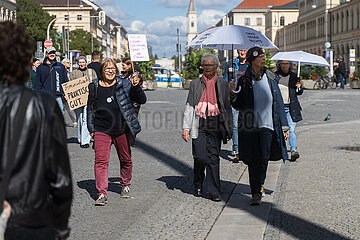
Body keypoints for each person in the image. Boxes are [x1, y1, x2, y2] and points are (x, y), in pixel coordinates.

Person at [0, 21, 72, 240]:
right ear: (26, 60)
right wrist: (59, 227)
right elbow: (60, 180)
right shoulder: (44, 105)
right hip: (30, 220)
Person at [229, 47, 289, 206]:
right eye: (260, 57)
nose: (263, 59)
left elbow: (279, 104)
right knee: (251, 160)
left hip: (268, 126)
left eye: (264, 56)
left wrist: (285, 126)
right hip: (250, 126)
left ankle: (259, 186)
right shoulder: (245, 80)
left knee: (263, 158)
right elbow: (239, 105)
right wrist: (233, 95)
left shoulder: (271, 78)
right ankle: (255, 189)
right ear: (252, 60)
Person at [87, 58, 146, 206]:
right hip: (101, 129)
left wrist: (136, 87)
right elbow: (90, 108)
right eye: (107, 69)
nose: (110, 71)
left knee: (125, 159)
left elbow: (141, 99)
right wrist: (91, 128)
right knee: (100, 161)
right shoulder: (94, 86)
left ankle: (125, 183)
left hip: (121, 128)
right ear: (101, 71)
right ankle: (101, 193)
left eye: (113, 68)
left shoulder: (124, 84)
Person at [182, 54, 232, 202]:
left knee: (213, 158)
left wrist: (233, 92)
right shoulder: (195, 84)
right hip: (199, 124)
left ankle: (214, 191)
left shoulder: (223, 84)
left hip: (216, 124)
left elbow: (228, 106)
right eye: (205, 65)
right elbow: (190, 105)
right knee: (200, 157)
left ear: (216, 67)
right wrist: (186, 127)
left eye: (210, 65)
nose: (207, 67)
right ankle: (198, 182)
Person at [223, 49, 248, 162]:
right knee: (235, 125)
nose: (242, 52)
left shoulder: (251, 64)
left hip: (247, 100)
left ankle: (246, 149)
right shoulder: (230, 64)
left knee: (247, 126)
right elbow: (224, 80)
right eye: (240, 50)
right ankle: (237, 150)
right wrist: (229, 87)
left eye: (244, 50)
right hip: (234, 99)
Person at [275, 60, 303, 161]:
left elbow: (299, 93)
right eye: (283, 63)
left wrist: (299, 88)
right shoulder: (275, 76)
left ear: (289, 65)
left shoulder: (294, 76)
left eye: (287, 64)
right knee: (281, 131)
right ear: (279, 65)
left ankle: (293, 151)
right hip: (279, 107)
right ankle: (281, 151)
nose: (285, 66)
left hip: (291, 107)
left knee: (291, 129)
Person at [70, 56, 97, 148]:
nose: (81, 64)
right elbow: (70, 86)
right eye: (80, 62)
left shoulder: (91, 72)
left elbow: (95, 83)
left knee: (86, 119)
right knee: (80, 118)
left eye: (83, 62)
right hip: (77, 100)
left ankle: (85, 141)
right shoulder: (74, 73)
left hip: (88, 99)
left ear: (86, 62)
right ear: (78, 63)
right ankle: (80, 138)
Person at [34, 46, 69, 114]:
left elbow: (65, 81)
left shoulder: (61, 66)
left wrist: (66, 94)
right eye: (50, 53)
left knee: (60, 117)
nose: (52, 54)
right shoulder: (41, 67)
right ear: (46, 54)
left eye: (53, 53)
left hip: (58, 97)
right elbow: (37, 83)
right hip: (45, 97)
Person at [61, 58, 77, 128]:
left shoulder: (68, 71)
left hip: (68, 91)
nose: (69, 64)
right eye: (68, 63)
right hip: (63, 91)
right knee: (64, 107)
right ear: (64, 63)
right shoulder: (61, 71)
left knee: (68, 107)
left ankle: (74, 121)